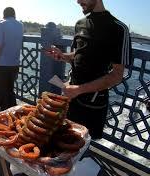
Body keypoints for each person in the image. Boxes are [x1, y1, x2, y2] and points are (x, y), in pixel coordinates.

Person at [44, 0, 132, 139]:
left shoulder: (118, 28)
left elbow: (117, 75)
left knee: (81, 148)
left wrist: (79, 89)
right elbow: (79, 55)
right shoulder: (80, 24)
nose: (78, 1)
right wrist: (62, 56)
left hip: (92, 104)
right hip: (70, 98)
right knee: (61, 141)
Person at [0, 7, 24, 111]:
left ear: (4, 15)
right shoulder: (20, 25)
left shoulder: (0, 25)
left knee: (2, 93)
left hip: (2, 65)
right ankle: (14, 114)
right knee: (10, 90)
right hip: (15, 64)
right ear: (14, 15)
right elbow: (11, 35)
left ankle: (5, 117)